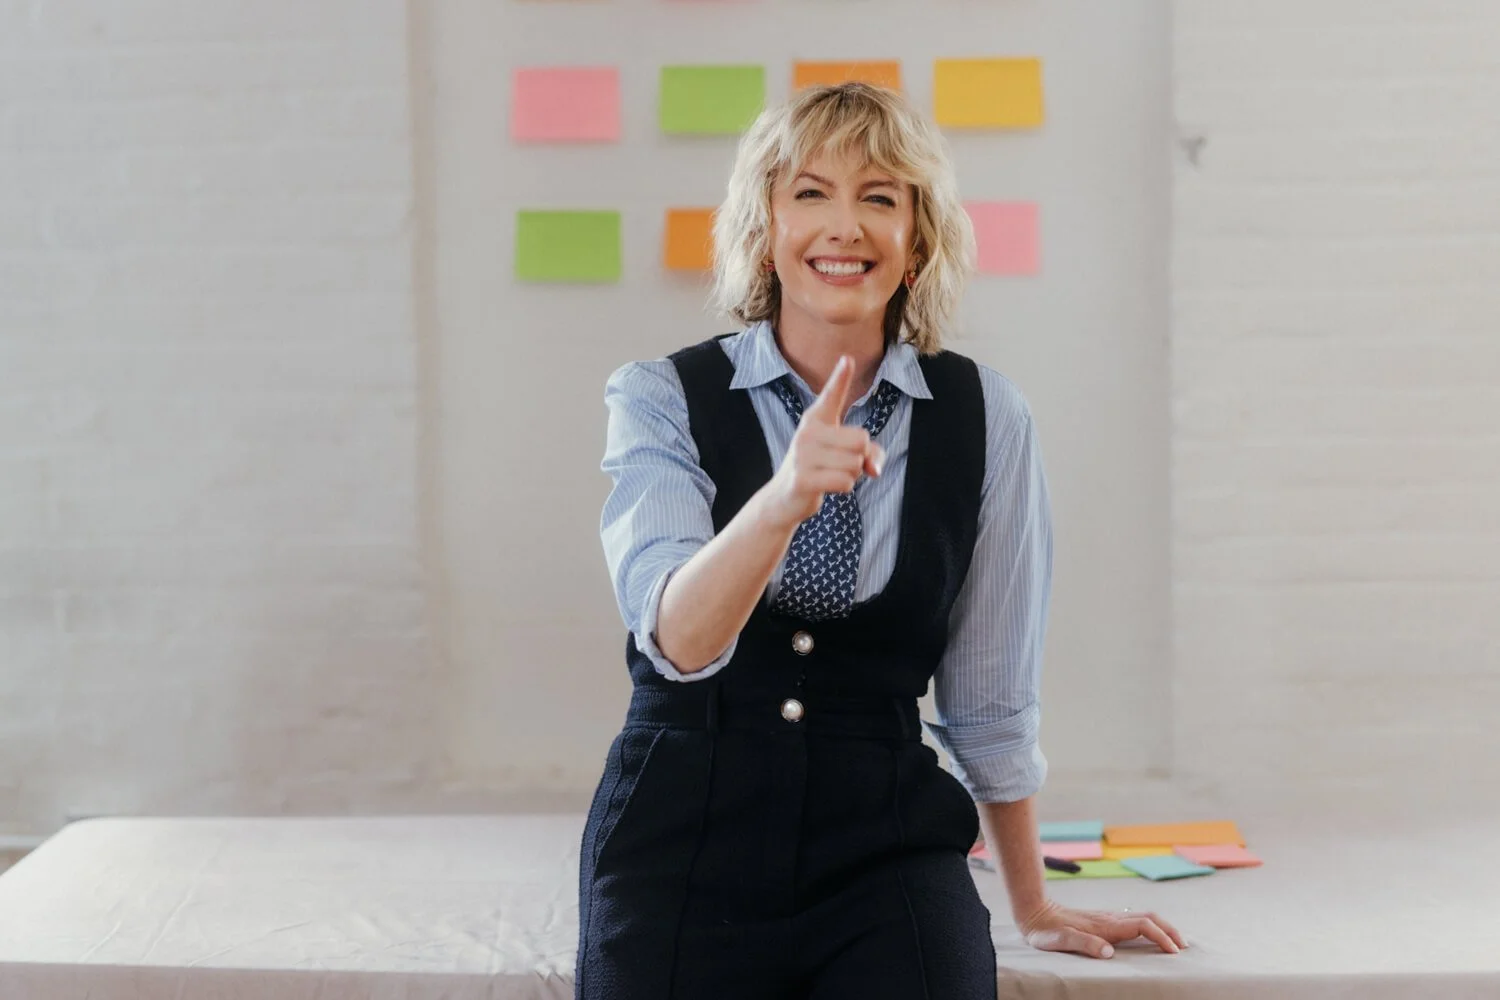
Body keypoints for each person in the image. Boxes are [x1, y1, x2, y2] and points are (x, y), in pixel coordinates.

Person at [575, 82, 1184, 1000]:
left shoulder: (988, 418)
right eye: (810, 193)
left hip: (884, 839)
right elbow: (680, 641)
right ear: (766, 230)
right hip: (680, 832)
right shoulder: (660, 397)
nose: (843, 225)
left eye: (880, 197)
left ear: (918, 240)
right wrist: (782, 498)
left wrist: (1033, 902)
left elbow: (991, 696)